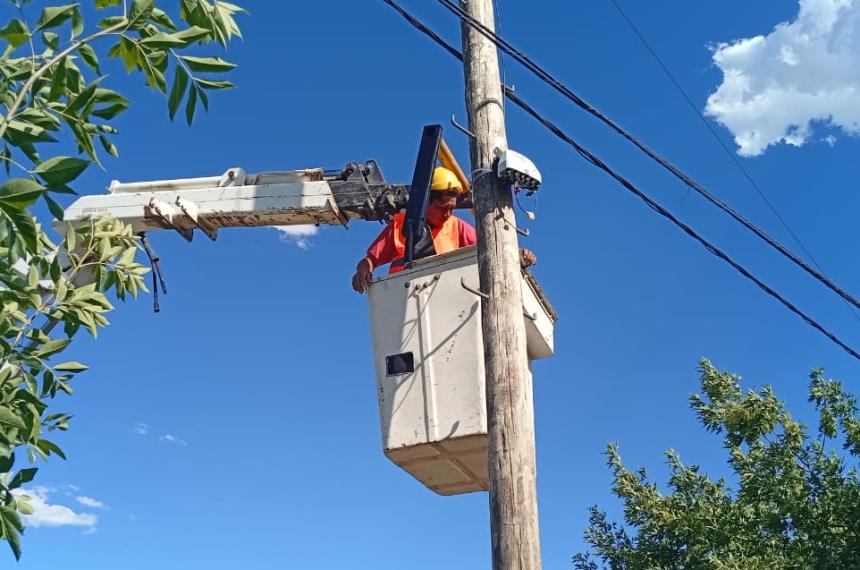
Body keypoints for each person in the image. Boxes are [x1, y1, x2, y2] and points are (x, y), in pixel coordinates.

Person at [352, 166, 536, 293]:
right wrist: (363, 270)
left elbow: (491, 250)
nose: (448, 213)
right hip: (404, 299)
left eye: (452, 208)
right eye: (443, 208)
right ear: (425, 202)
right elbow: (370, 260)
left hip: (447, 298)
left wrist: (518, 256)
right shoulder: (402, 225)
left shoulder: (457, 226)